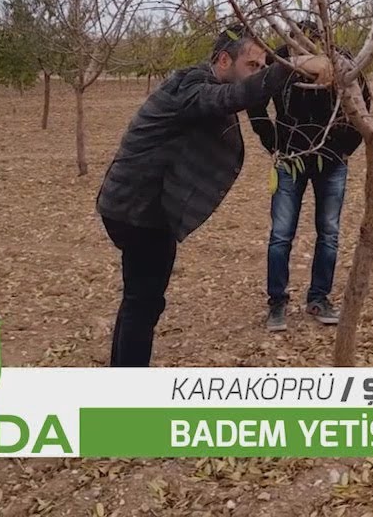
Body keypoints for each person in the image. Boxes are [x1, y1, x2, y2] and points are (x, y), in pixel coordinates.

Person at [95, 25, 331, 366]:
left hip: (144, 207)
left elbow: (244, 95)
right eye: (253, 65)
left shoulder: (201, 82)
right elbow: (231, 99)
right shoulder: (190, 87)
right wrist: (294, 64)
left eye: (264, 66)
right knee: (142, 303)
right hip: (137, 211)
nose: (259, 73)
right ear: (223, 59)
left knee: (141, 302)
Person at [248, 23, 373, 332]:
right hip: (289, 160)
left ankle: (319, 298)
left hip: (332, 162)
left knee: (328, 233)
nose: (305, 48)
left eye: (313, 42)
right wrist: (272, 140)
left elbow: (362, 102)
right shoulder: (280, 61)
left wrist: (345, 147)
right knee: (281, 234)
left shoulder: (340, 60)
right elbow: (255, 99)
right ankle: (277, 303)